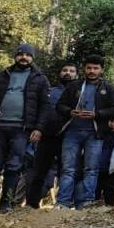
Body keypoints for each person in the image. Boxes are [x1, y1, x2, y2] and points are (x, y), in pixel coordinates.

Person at [0, 43, 50, 212]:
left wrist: (38, 129)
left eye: (28, 55)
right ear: (15, 56)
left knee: (14, 167)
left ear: (32, 58)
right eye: (21, 54)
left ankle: (6, 205)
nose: (24, 57)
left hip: (22, 129)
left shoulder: (40, 79)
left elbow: (45, 107)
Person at [55, 54, 114, 209]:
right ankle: (62, 202)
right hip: (72, 132)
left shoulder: (108, 88)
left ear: (101, 70)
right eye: (89, 68)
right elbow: (59, 105)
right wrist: (70, 111)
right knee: (68, 168)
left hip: (95, 133)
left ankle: (86, 202)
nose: (92, 71)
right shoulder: (74, 86)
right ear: (84, 69)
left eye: (95, 68)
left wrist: (96, 114)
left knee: (91, 169)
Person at [25, 59, 78, 208]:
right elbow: (41, 111)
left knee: (67, 171)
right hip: (47, 136)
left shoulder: (80, 93)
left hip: (70, 138)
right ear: (59, 73)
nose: (68, 73)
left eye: (71, 71)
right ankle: (31, 204)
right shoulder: (50, 91)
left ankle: (65, 203)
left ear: (76, 75)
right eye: (65, 70)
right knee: (39, 171)